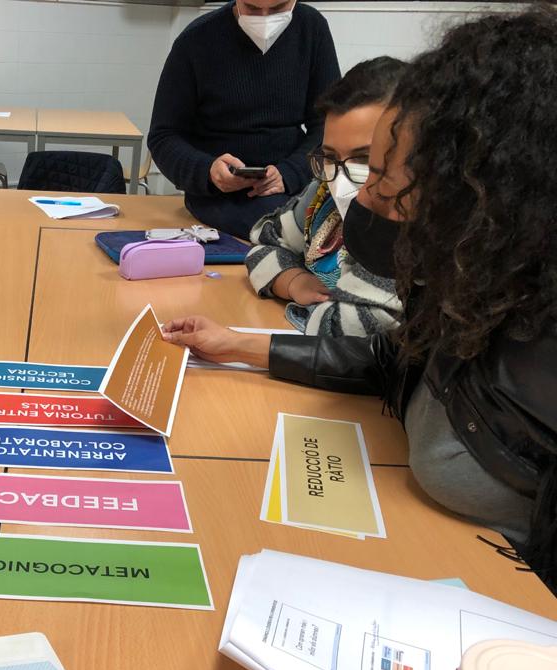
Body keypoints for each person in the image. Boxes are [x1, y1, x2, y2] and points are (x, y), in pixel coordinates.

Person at [162, 6, 557, 590]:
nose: (363, 198)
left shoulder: (535, 351)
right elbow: (394, 355)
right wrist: (240, 346)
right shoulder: (470, 286)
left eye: (384, 178)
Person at [148, 0, 340, 239]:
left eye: (278, 9)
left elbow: (329, 126)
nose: (265, 18)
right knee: (288, 232)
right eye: (252, 9)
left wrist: (290, 172)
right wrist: (208, 171)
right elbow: (163, 136)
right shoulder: (196, 39)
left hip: (297, 184)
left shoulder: (312, 28)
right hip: (219, 196)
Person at [246, 56, 406, 337]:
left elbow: (343, 332)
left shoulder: (404, 227)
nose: (341, 181)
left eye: (365, 160)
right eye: (331, 157)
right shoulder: (322, 198)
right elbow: (263, 243)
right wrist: (294, 281)